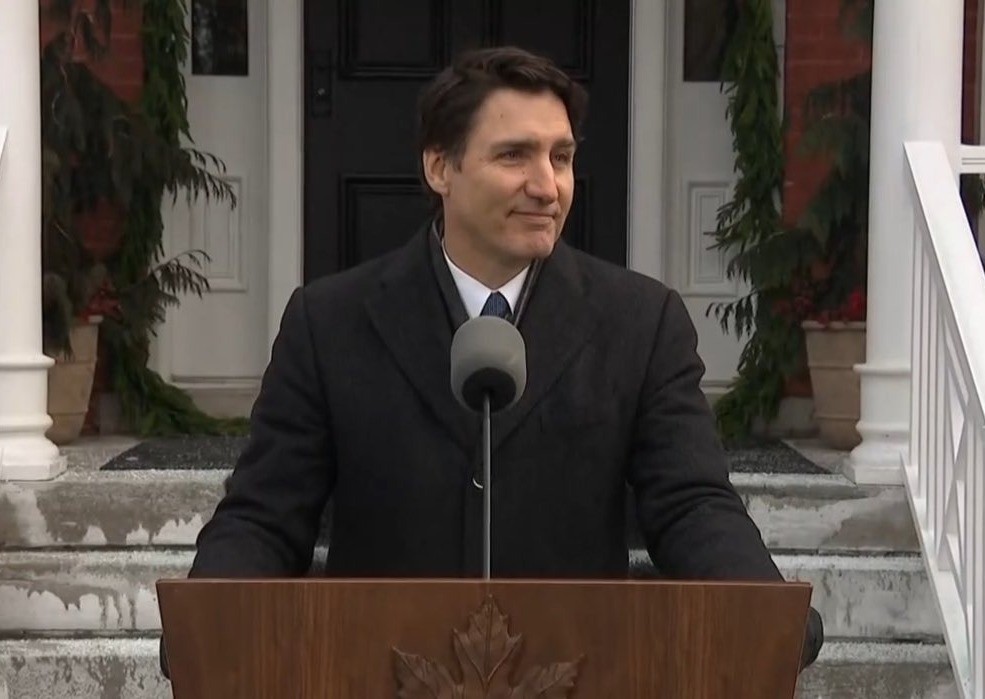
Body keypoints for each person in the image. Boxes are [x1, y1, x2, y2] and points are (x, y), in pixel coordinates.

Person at [162, 45, 822, 676]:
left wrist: (761, 609)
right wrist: (210, 619)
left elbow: (690, 503)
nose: (547, 185)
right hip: (375, 669)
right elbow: (265, 513)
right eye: (513, 156)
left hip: (575, 669)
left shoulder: (639, 322)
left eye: (560, 157)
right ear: (438, 167)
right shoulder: (330, 322)